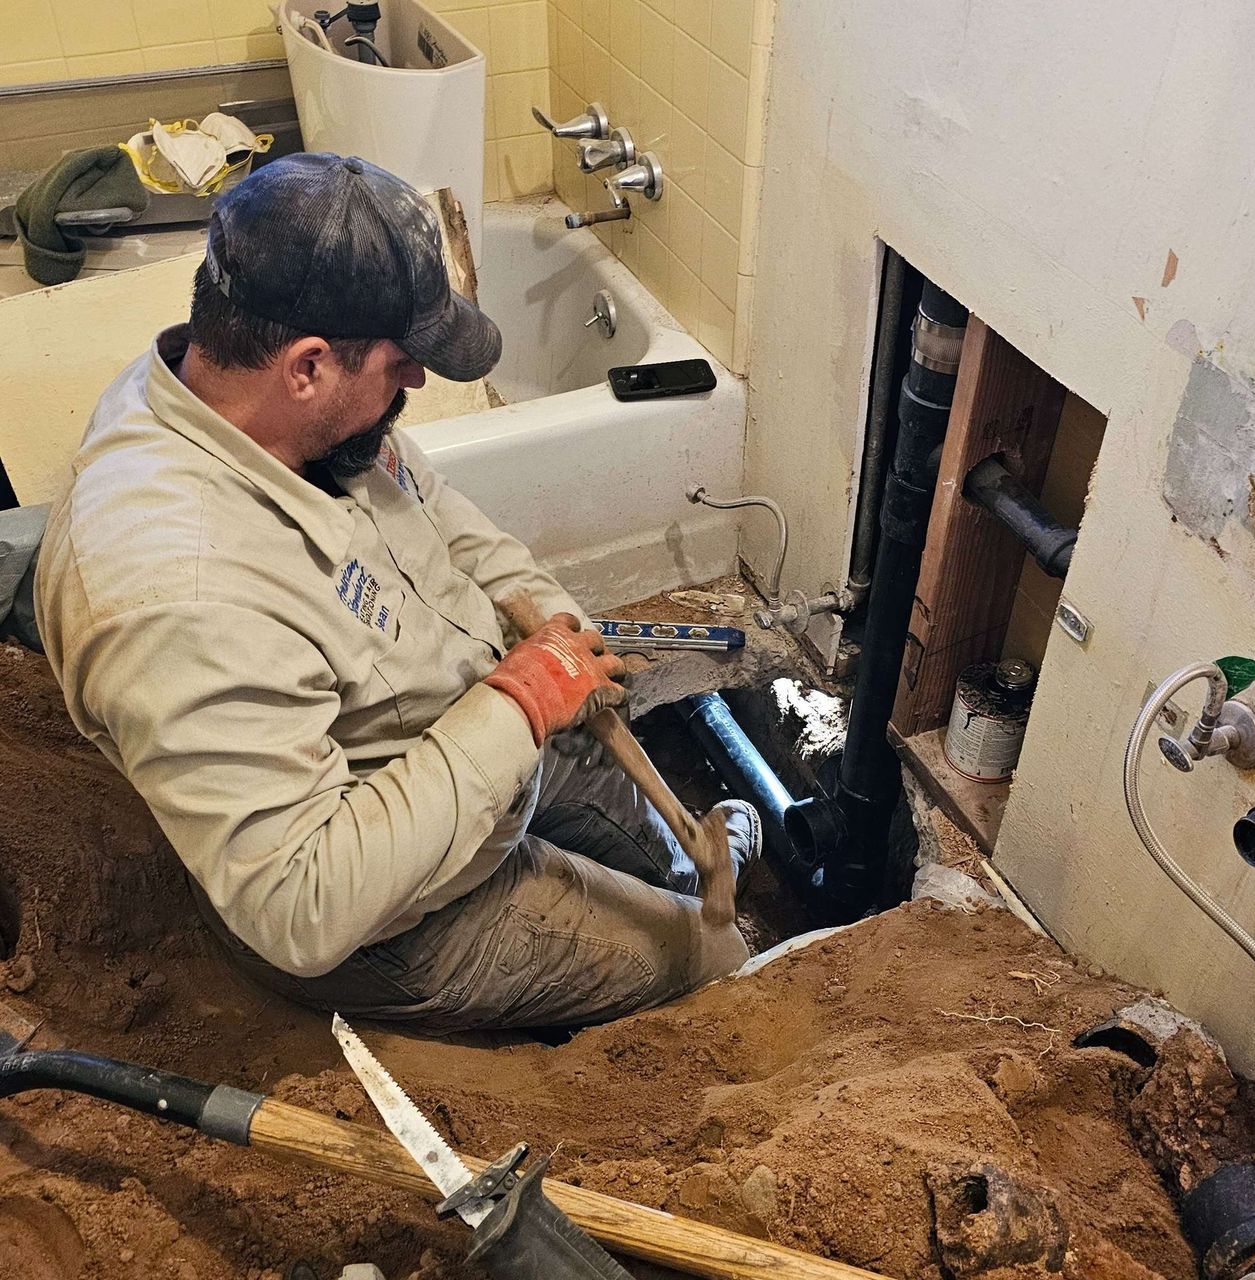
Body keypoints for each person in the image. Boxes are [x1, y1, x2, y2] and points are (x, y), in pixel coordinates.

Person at [34, 153, 758, 1031]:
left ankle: (687, 867)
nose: (416, 382)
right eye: (402, 362)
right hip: (397, 912)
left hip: (473, 737)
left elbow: (435, 512)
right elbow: (301, 905)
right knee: (723, 958)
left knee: (656, 848)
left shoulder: (275, 407)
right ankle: (692, 936)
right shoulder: (175, 595)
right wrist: (522, 703)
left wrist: (536, 610)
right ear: (307, 367)